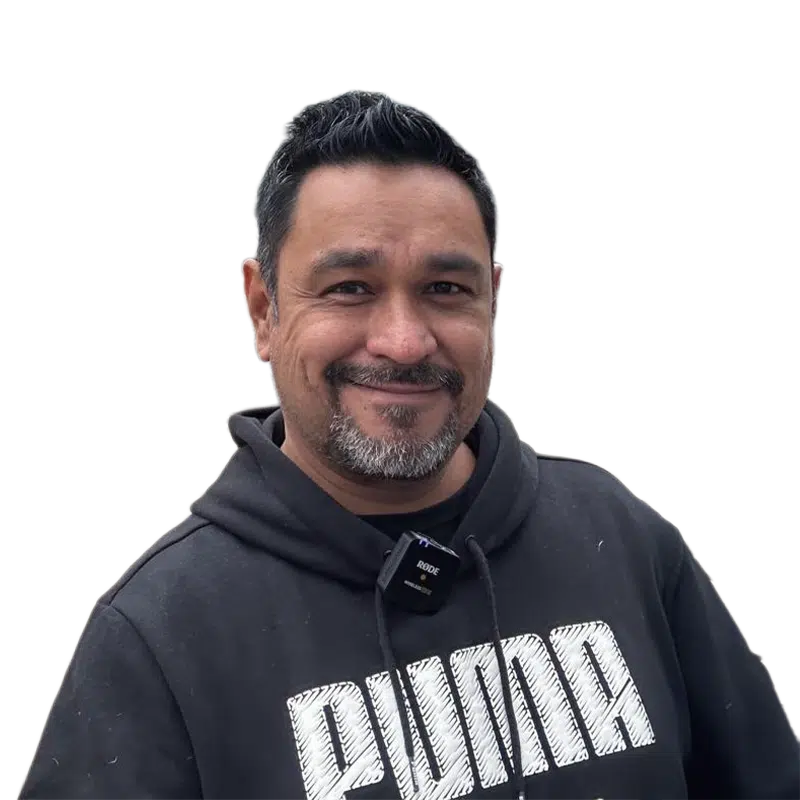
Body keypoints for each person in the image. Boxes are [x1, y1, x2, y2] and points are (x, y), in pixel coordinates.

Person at [20, 89, 800, 799]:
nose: (403, 341)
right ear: (263, 310)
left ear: (493, 302)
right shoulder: (157, 636)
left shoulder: (624, 541)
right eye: (349, 288)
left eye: (445, 289)